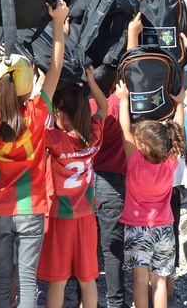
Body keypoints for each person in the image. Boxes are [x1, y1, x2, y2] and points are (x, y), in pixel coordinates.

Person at [0, 0, 69, 308]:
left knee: (1, 277)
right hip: (31, 209)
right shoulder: (37, 110)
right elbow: (56, 67)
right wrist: (58, 25)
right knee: (28, 278)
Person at [36, 67, 108, 308]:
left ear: (59, 113)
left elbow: (36, 123)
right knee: (88, 279)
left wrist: (43, 84)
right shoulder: (94, 136)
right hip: (87, 215)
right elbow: (104, 107)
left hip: (60, 215)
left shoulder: (55, 139)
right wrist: (91, 81)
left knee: (58, 281)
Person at [115, 81, 184, 308]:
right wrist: (180, 106)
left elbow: (125, 129)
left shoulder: (135, 162)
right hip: (164, 228)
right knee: (160, 280)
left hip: (138, 228)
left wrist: (124, 100)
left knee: (140, 280)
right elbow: (178, 135)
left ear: (142, 147)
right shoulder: (170, 163)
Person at [90, 64, 126, 308]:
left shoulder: (85, 106)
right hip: (112, 184)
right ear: (114, 85)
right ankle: (116, 301)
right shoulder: (118, 104)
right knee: (112, 249)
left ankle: (85, 298)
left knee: (88, 246)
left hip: (87, 181)